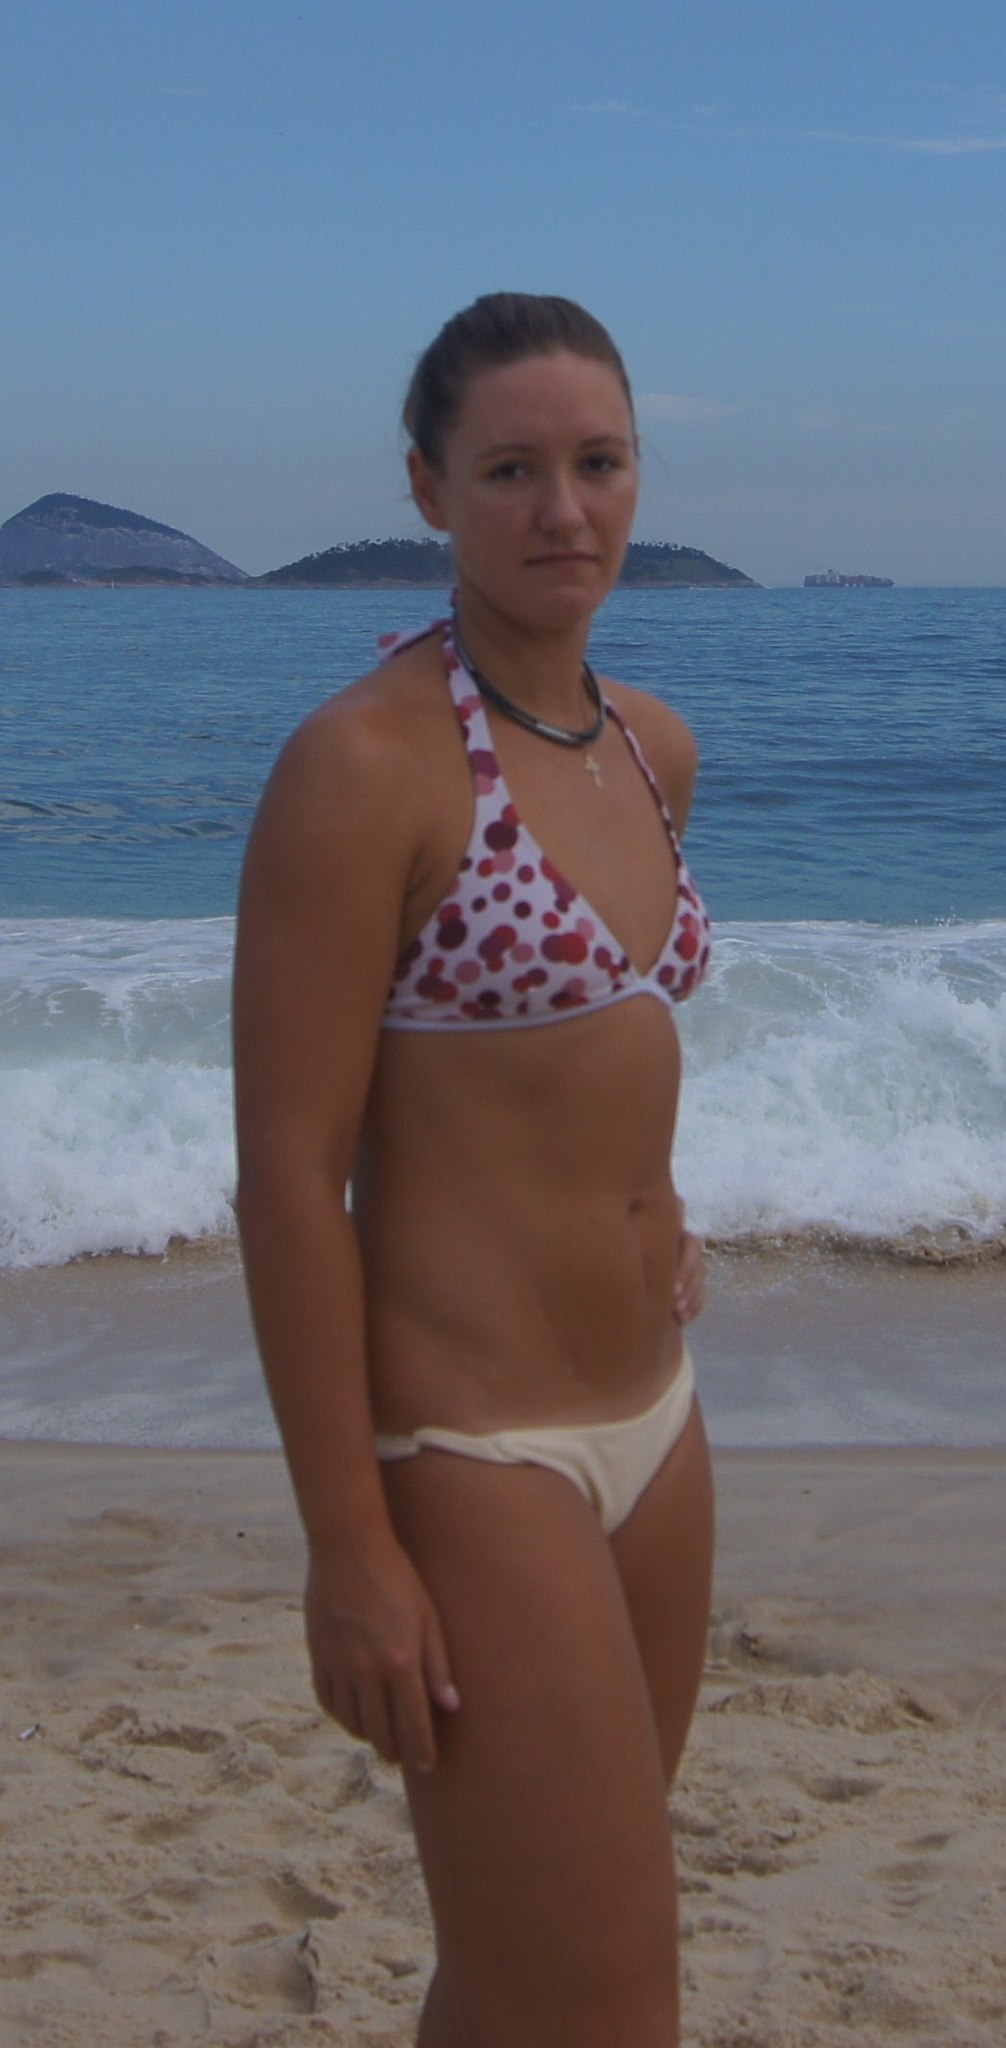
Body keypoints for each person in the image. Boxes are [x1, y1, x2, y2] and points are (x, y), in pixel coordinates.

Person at [233, 292, 715, 2048]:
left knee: (528, 1975)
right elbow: (290, 1179)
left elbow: (587, 1064)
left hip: (655, 1425)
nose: (561, 510)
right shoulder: (363, 769)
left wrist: (663, 1214)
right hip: (473, 1456)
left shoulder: (649, 746)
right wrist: (346, 1546)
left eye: (597, 463)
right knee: (605, 2001)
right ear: (429, 489)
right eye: (510, 470)